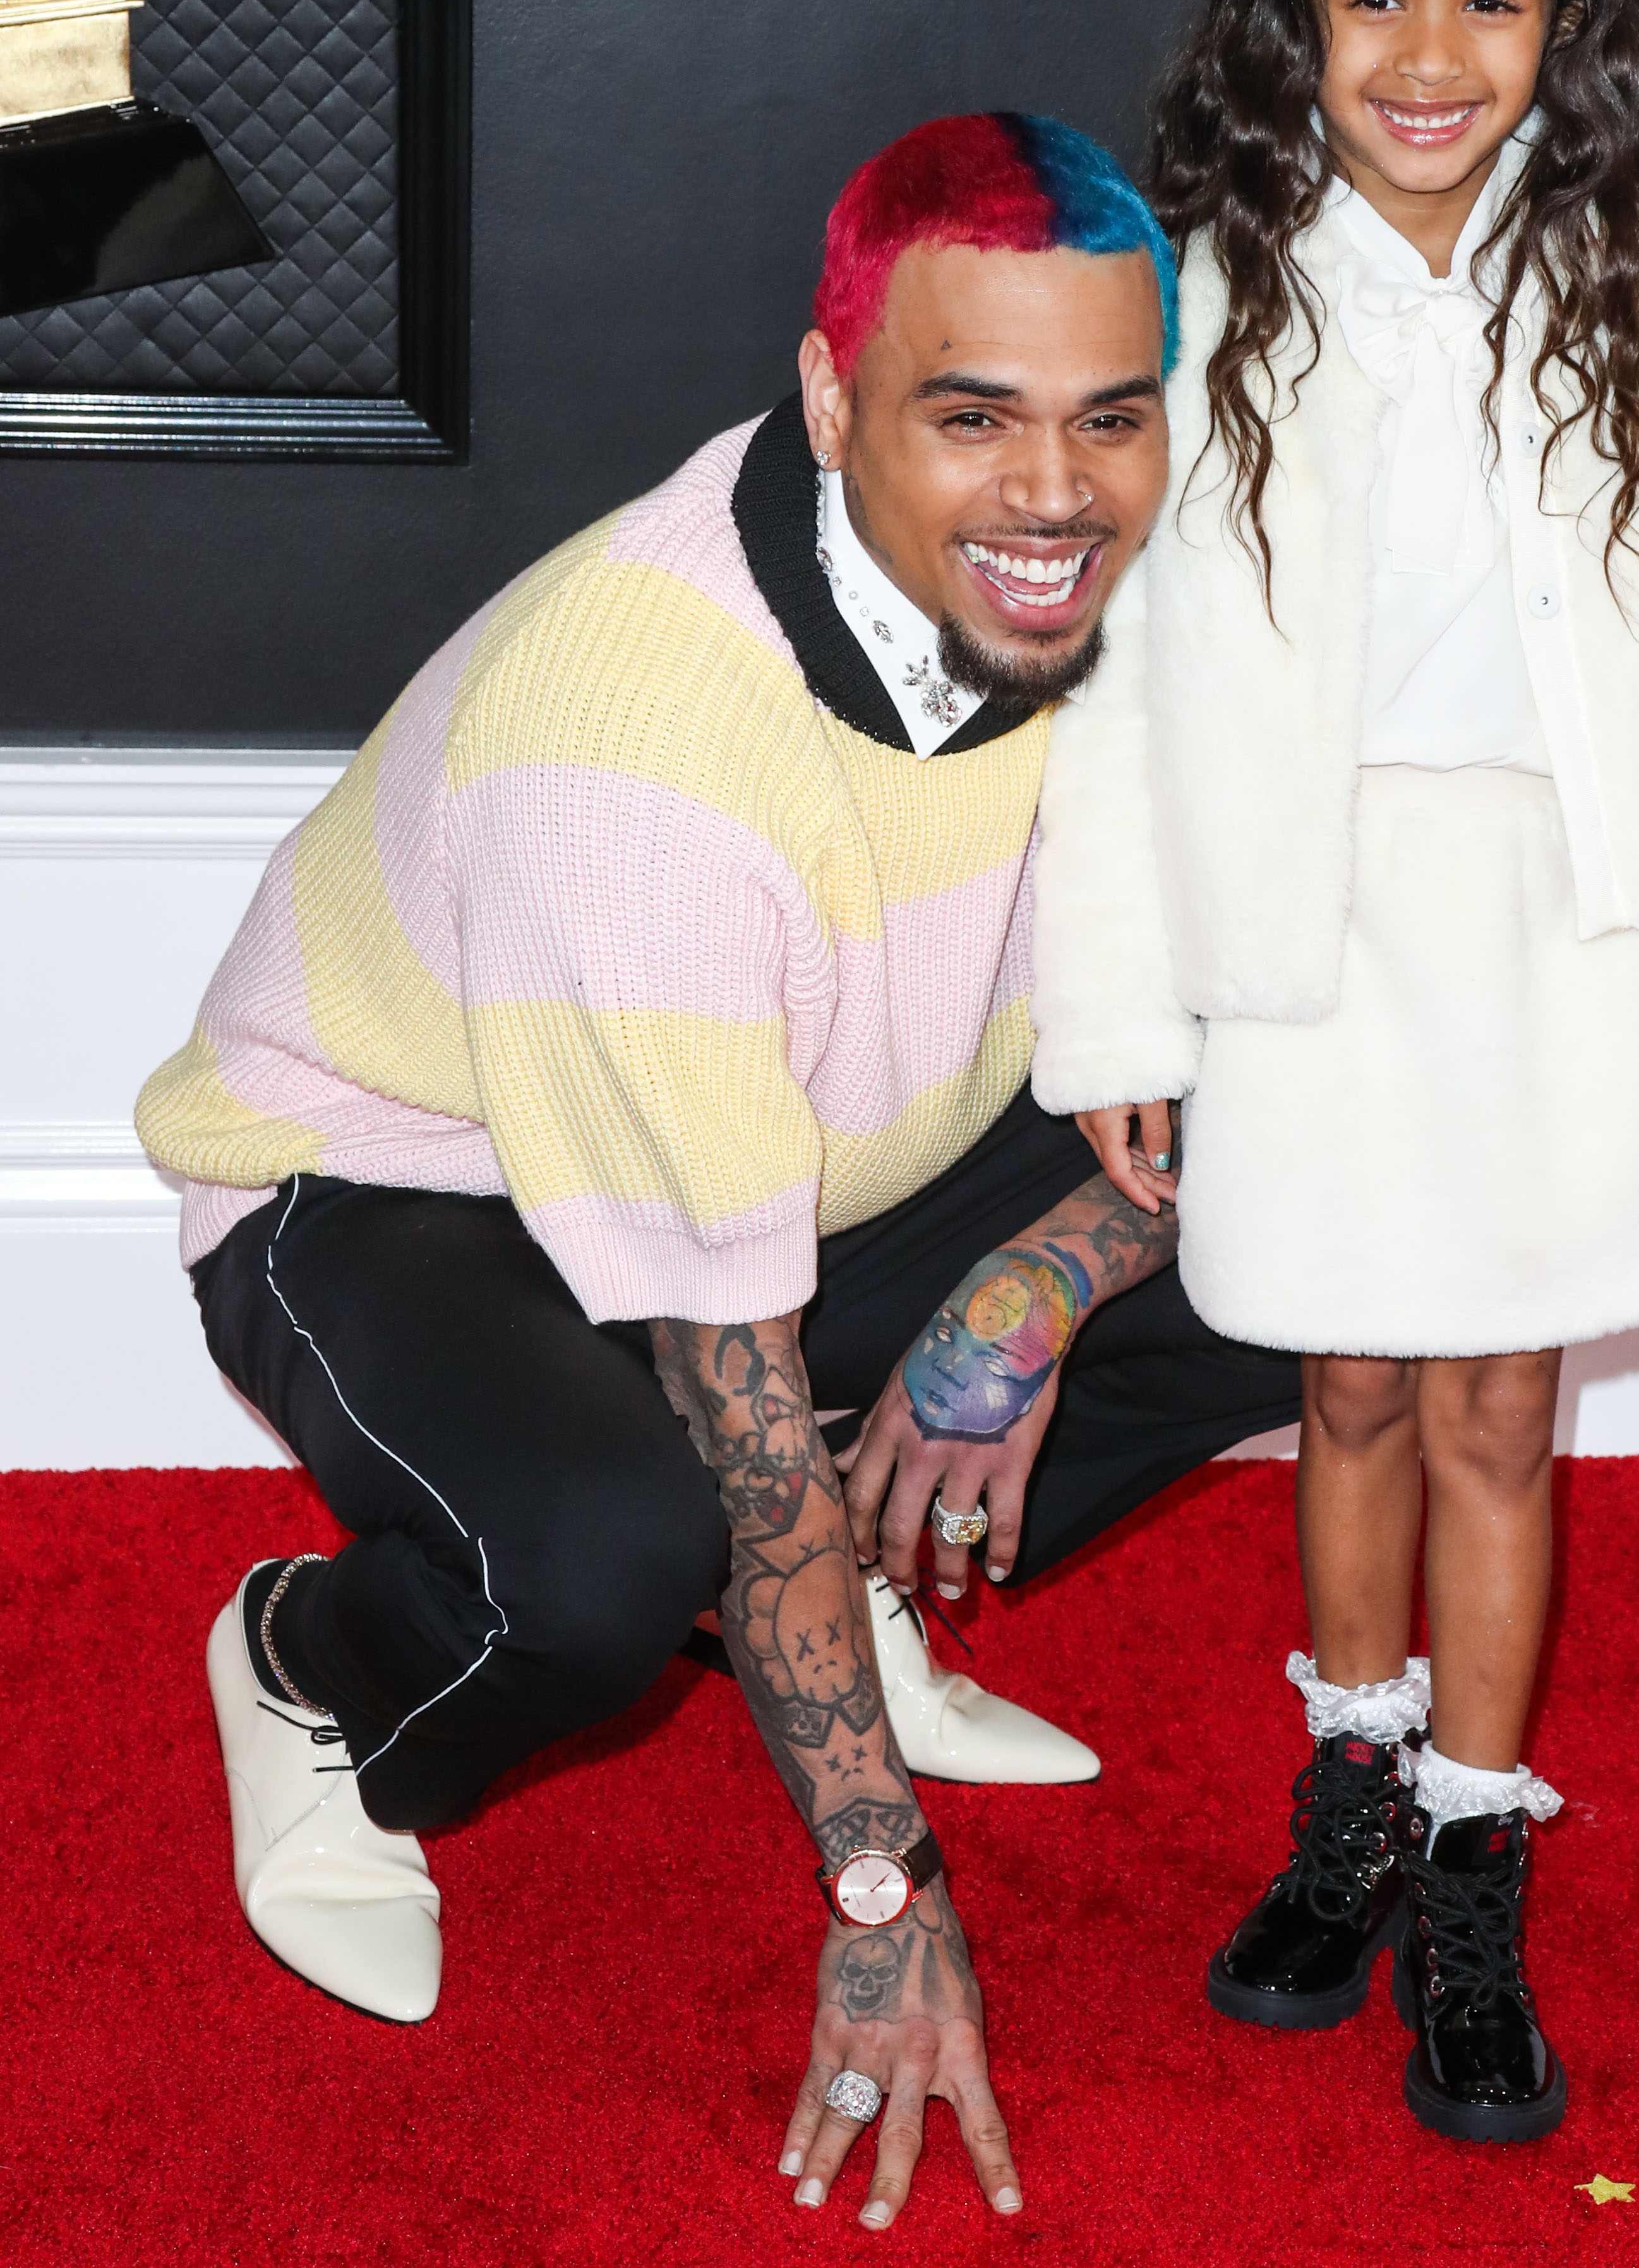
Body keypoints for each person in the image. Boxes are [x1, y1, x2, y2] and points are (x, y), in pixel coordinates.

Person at [135, 112, 1297, 2227]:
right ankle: (311, 1662)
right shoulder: (640, 753)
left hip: (831, 1139)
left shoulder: (1139, 571)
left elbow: (1329, 1009)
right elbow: (737, 1403)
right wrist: (878, 1892)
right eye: (974, 419)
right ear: (832, 399)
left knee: (1316, 1243)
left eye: (1111, 419)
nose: (1056, 497)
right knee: (620, 1556)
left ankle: (859, 1568)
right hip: (408, 1176)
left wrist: (1027, 1299)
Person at [1029, 0, 1639, 2145]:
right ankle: (1351, 1800)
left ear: (1560, 21)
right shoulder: (1195, 280)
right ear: (1293, 13)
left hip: (1560, 929)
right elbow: (1121, 665)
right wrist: (1120, 991)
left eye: (1486, 4)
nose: (1423, 56)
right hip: (1305, 923)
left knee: (1502, 1404)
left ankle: (1477, 1861)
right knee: (1351, 1394)